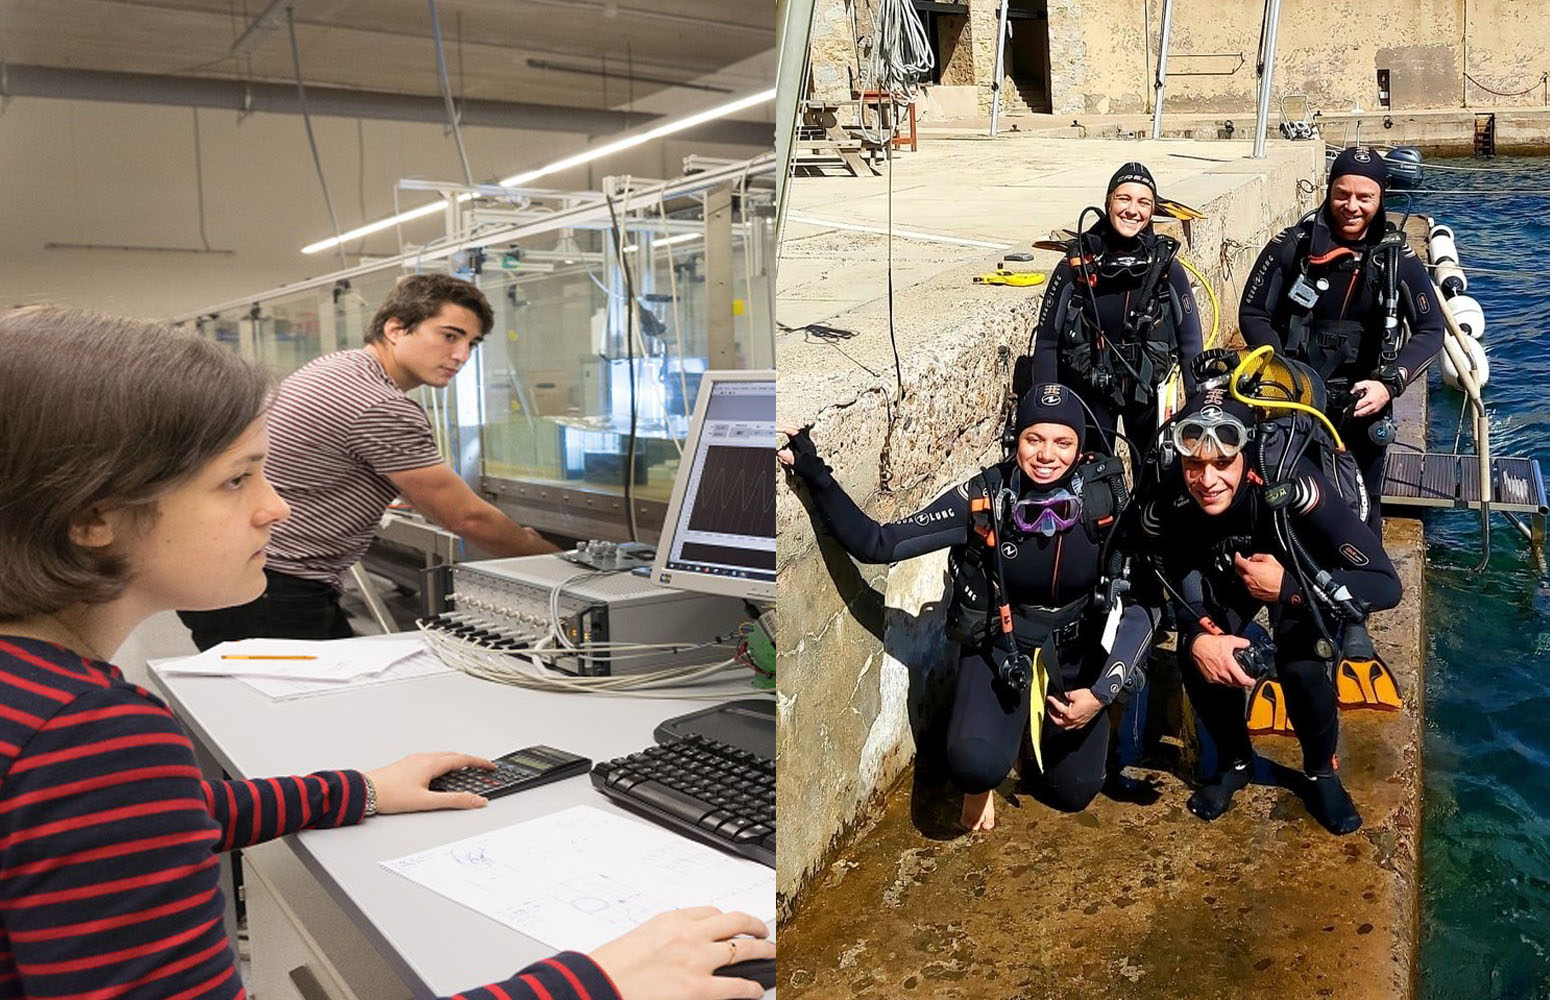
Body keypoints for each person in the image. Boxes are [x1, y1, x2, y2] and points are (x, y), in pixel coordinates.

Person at [0, 306, 772, 1000]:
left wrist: (355, 790)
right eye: (238, 480)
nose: (277, 506)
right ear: (94, 517)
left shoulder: (40, 708)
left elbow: (138, 821)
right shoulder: (87, 738)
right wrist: (593, 983)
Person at [780, 384, 1157, 831]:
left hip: (1075, 651)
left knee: (1073, 792)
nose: (1046, 455)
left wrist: (1101, 695)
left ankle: (1030, 736)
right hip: (1000, 646)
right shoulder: (983, 499)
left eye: (1063, 442)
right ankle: (988, 765)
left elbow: (1146, 604)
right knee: (974, 765)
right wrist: (812, 470)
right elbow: (876, 542)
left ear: (1080, 450)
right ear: (1014, 439)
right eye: (1033, 439)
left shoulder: (1105, 501)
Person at [179, 274, 558, 650]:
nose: (461, 355)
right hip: (270, 585)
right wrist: (563, 564)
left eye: (471, 343)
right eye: (449, 335)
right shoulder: (381, 404)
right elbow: (465, 517)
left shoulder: (339, 366)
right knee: (307, 705)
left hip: (240, 571)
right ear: (395, 328)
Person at [1138, 385, 1402, 835]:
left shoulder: (1293, 481)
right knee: (1199, 653)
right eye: (1194, 465)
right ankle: (1236, 761)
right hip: (1228, 571)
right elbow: (1166, 567)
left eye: (1223, 463)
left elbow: (1385, 584)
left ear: (1246, 456)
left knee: (1302, 664)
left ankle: (1321, 772)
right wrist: (1199, 633)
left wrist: (1291, 590)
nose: (1207, 480)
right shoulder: (1169, 489)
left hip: (1300, 569)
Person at [1239, 146, 1446, 535]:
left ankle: (1359, 582)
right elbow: (1253, 314)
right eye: (1342, 194)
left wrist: (1391, 383)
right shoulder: (1292, 246)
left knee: (1361, 504)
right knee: (1288, 499)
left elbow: (1431, 328)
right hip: (1295, 401)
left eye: (1365, 197)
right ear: (1329, 190)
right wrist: (1283, 374)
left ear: (1381, 197)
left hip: (1363, 402)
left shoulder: (1396, 258)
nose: (1352, 206)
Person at [1032, 161, 1204, 459]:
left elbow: (1191, 341)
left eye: (1143, 202)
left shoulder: (1166, 267)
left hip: (1148, 393)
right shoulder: (1075, 265)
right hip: (1090, 392)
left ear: (1153, 211)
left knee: (1156, 483)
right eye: (1124, 198)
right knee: (1093, 480)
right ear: (1108, 202)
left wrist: (1198, 404)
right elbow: (1047, 342)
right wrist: (1045, 410)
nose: (1132, 210)